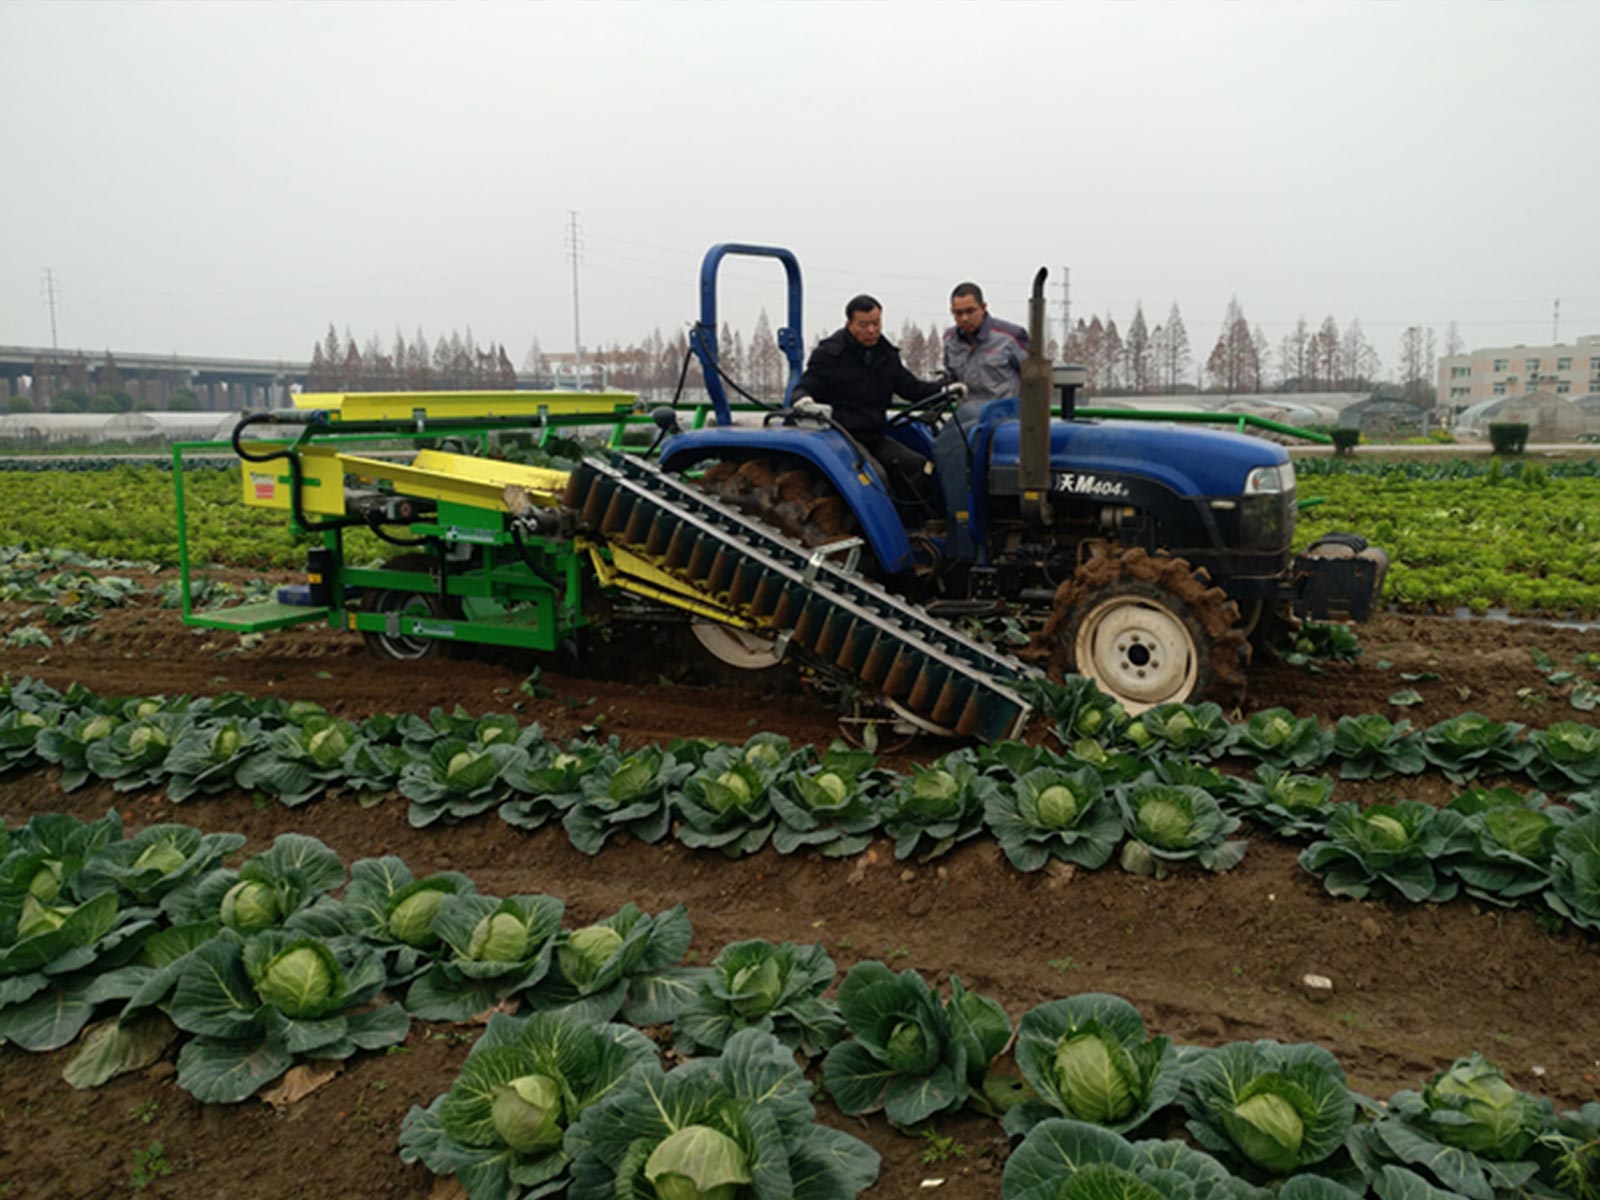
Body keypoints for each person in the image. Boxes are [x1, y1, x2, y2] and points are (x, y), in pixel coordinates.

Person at [793, 293, 948, 514]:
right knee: (875, 478)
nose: (872, 330)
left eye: (876, 323)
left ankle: (917, 524)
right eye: (864, 325)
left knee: (919, 466)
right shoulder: (830, 355)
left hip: (874, 436)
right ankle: (882, 540)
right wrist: (802, 398)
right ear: (849, 324)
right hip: (842, 438)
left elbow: (911, 388)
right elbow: (808, 384)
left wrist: (943, 389)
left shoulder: (886, 355)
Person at [935, 283, 1029, 553]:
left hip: (1000, 425)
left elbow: (1034, 381)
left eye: (969, 311)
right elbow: (951, 378)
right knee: (939, 448)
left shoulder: (1010, 336)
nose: (964, 318)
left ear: (983, 307)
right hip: (965, 424)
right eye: (957, 313)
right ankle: (958, 531)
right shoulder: (951, 339)